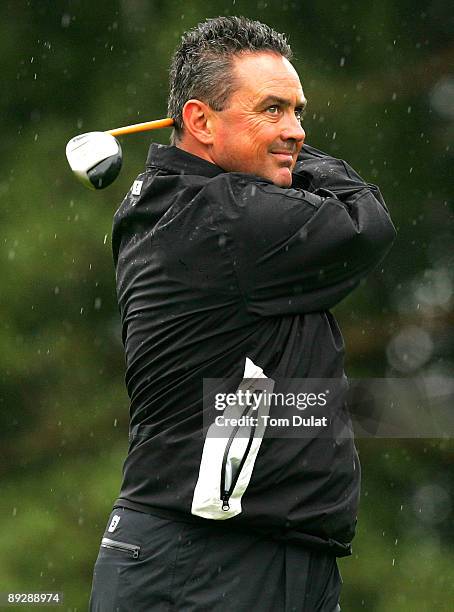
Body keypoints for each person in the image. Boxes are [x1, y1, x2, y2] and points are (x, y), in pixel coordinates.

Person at [89, 16, 395, 612]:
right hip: (203, 565)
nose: (297, 131)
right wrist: (294, 157)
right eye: (272, 110)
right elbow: (364, 223)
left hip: (248, 558)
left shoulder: (185, 204)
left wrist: (262, 139)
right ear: (200, 121)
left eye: (298, 112)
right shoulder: (222, 217)